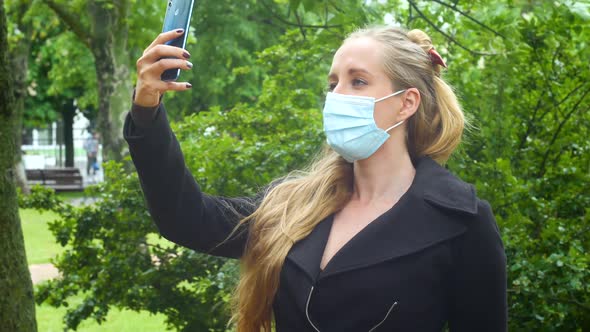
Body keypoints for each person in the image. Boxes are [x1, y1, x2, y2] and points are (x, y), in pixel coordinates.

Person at [123, 26, 507, 332]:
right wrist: (146, 111)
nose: (337, 96)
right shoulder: (295, 204)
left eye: (357, 82)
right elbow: (189, 219)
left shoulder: (461, 221)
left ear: (406, 103)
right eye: (332, 83)